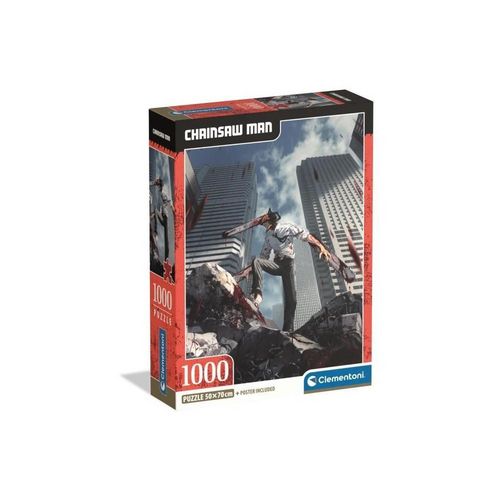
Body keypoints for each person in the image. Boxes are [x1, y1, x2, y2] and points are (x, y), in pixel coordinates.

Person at [250, 210, 329, 332]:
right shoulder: (268, 237)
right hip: (277, 265)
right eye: (264, 226)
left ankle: (288, 331)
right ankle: (257, 294)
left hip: (288, 265)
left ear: (271, 220)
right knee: (257, 261)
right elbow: (263, 256)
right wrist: (251, 269)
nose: (266, 228)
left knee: (292, 301)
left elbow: (305, 235)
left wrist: (320, 246)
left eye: (266, 224)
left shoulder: (287, 227)